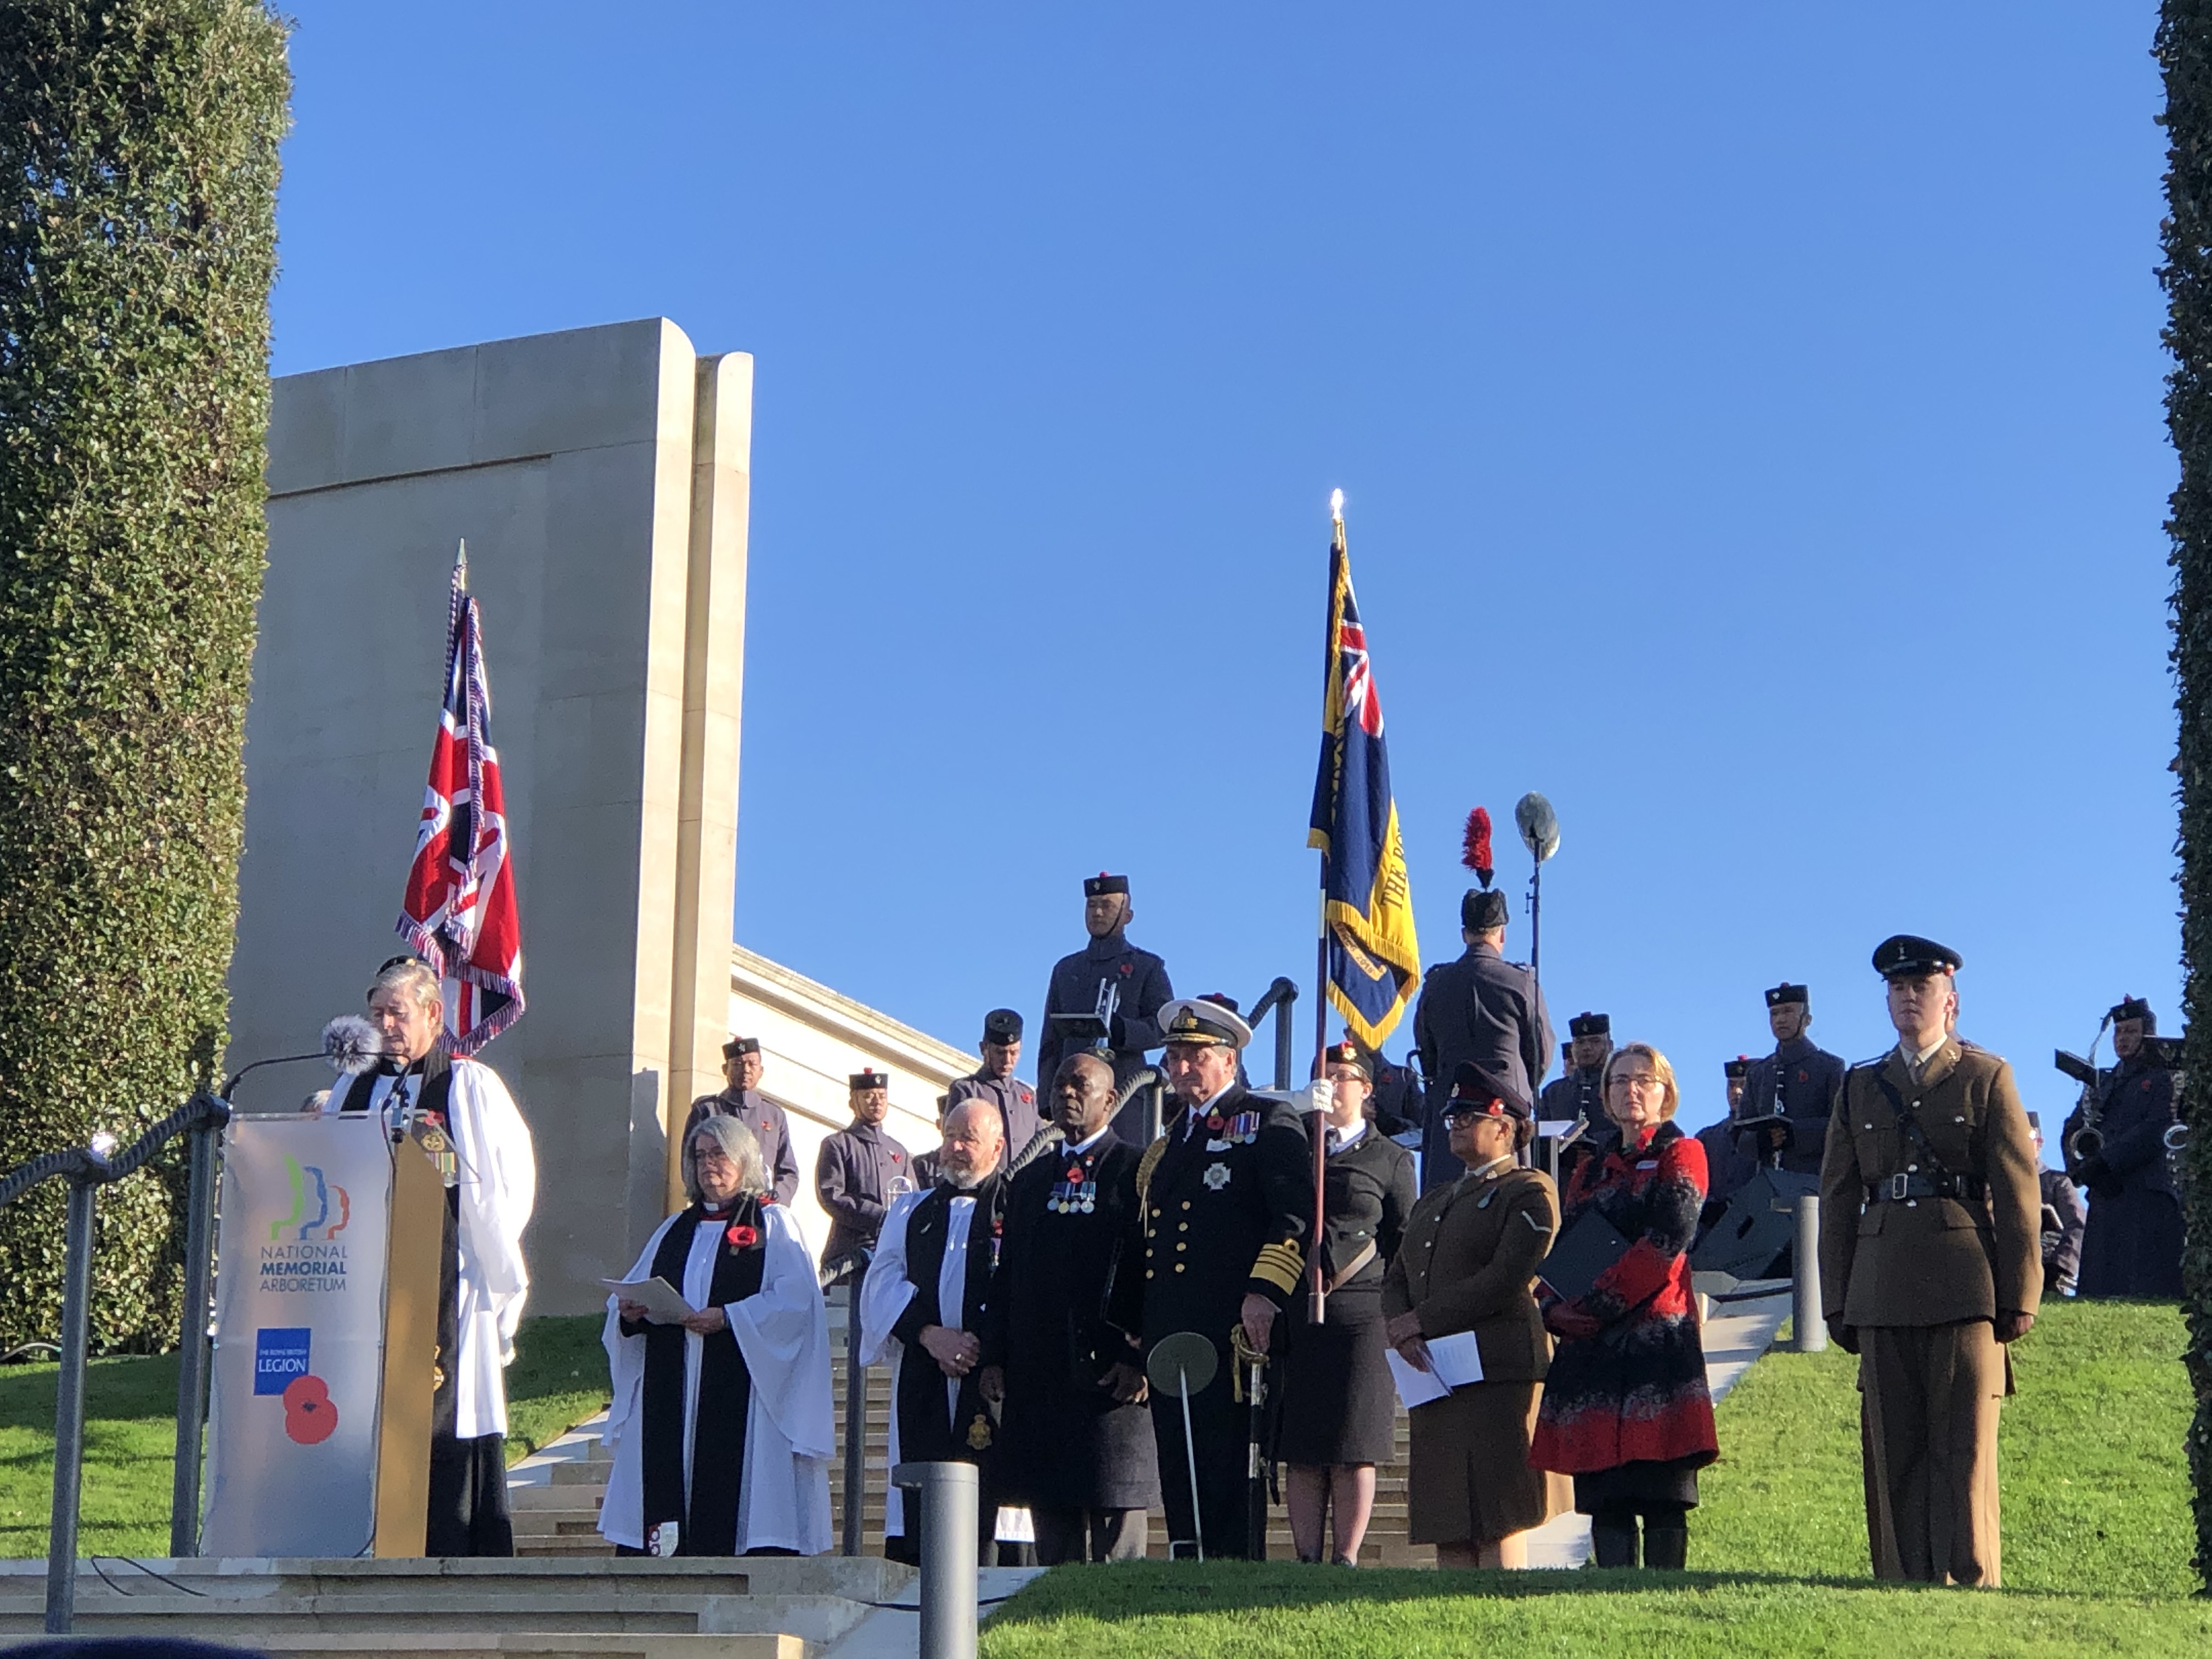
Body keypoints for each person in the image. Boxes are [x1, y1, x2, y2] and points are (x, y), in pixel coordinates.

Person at [1818, 934, 2041, 1588]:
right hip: (1881, 1283)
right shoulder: (1860, 1085)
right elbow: (1837, 1198)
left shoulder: (1985, 1075)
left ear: (1952, 1001)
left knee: (1965, 1443)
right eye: (1897, 988)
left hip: (1964, 1279)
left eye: (1922, 987)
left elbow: (2017, 1192)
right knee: (1893, 1445)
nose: (1909, 997)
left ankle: (1969, 1575)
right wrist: (1836, 1298)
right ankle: (1902, 1574)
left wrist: (2020, 1293)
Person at [321, 956, 535, 1556]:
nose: (385, 1026)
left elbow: (485, 1187)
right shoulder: (354, 1085)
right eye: (377, 1014)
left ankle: (453, 1541)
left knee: (446, 1410)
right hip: (368, 1278)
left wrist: (423, 1138)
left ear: (434, 1016)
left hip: (445, 1274)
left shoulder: (466, 1084)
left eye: (398, 1013)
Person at [1108, 996, 1314, 1560]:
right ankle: (1185, 1556)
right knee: (1178, 1453)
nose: (1179, 1069)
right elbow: (1147, 1231)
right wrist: (1134, 1317)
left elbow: (1294, 1215)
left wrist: (1265, 1294)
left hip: (1232, 1328)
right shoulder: (1171, 1140)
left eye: (1193, 1057)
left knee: (1225, 1455)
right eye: (1173, 1057)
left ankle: (1231, 1567)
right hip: (1171, 1326)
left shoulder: (1265, 1120)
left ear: (1228, 1059)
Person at [598, 1116, 833, 1555]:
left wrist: (729, 1317)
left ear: (744, 1160)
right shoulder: (673, 1230)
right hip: (673, 1384)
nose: (709, 1165)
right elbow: (629, 1294)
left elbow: (798, 1303)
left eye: (719, 1155)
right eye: (701, 1156)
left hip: (743, 1388)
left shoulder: (773, 1224)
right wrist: (630, 1313)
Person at [1531, 1042, 1718, 1571]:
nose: (1631, 1090)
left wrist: (1599, 1305)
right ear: (1607, 1095)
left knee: (1662, 1493)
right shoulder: (1589, 1168)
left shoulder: (1685, 1154)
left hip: (1657, 1345)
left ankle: (1664, 1594)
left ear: (1666, 1093)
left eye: (1644, 1080)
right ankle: (1610, 1591)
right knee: (1605, 1497)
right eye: (1620, 1081)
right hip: (1593, 1350)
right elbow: (1571, 1249)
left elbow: (1667, 1241)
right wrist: (1551, 1307)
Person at [978, 1052, 1160, 1564]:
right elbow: (1008, 1274)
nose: (1067, 1093)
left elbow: (1154, 1268)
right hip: (1043, 1387)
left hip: (1111, 1386)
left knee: (1116, 1538)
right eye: (1060, 1084)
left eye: (1081, 1084)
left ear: (1110, 1099)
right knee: (1054, 1540)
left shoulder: (1137, 1169)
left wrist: (1141, 1360)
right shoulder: (1030, 1182)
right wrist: (994, 1355)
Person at [1381, 1062, 1565, 1570]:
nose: (1456, 1125)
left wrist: (1423, 1320)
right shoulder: (1436, 1198)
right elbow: (1397, 1273)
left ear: (1504, 1127)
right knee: (1448, 1512)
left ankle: (1502, 1608)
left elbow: (1508, 1274)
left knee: (1498, 1510)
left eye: (1469, 1116)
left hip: (1497, 1368)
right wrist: (1400, 1325)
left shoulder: (1527, 1190)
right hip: (1436, 1372)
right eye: (1452, 1117)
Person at [1271, 1041, 1418, 1565]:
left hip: (1361, 1309)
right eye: (1323, 1076)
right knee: (1303, 1445)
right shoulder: (1293, 1146)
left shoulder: (1390, 1158)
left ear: (1367, 1089)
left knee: (1355, 1442)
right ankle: (1307, 1557)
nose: (1333, 1086)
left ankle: (1347, 1557)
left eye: (1344, 1076)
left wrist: (1403, 1313)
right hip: (1296, 1305)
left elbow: (1404, 1239)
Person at [859, 1099, 1009, 1565]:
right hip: (924, 1373)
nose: (956, 1148)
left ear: (998, 1148)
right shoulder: (911, 1211)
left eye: (969, 1139)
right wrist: (928, 1334)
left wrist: (981, 1345)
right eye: (950, 1136)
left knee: (994, 1498)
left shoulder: (1020, 1205)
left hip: (996, 1376)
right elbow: (880, 1283)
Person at [1412, 887, 1554, 1192]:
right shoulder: (1520, 981)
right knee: (1511, 1199)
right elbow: (1541, 1055)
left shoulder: (1436, 985)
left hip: (1453, 1110)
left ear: (1465, 934)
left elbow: (1427, 1052)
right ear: (1501, 933)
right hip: (1504, 1109)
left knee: (1446, 1203)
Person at [1036, 873, 1175, 1142]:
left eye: (1108, 906)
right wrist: (1047, 1098)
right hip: (1072, 1100)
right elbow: (1050, 1041)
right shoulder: (1066, 970)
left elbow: (1164, 1027)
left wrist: (1123, 1031)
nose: (1098, 912)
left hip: (1125, 1098)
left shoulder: (1147, 967)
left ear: (1128, 915)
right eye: (1091, 905)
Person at [2064, 996, 2184, 1299]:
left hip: (2148, 1191)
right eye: (2119, 1032)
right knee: (2102, 1279)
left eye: (2131, 1031)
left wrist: (2106, 1161)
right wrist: (2078, 1167)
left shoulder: (2163, 1078)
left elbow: (2156, 1127)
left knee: (2146, 1280)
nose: (2122, 1039)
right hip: (2106, 1192)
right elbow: (2074, 1126)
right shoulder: (2102, 1083)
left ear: (2147, 1035)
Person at [1739, 984, 1846, 1178]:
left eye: (1788, 1012)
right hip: (1766, 1183)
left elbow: (1841, 1126)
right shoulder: (1758, 1073)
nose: (1780, 1020)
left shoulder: (1829, 1067)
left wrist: (1793, 1134)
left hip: (1813, 1182)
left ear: (1807, 1020)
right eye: (1774, 1014)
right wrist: (1763, 1139)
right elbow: (1740, 1132)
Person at [815, 1070, 915, 1277]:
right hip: (849, 1251)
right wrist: (878, 1216)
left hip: (894, 1253)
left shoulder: (899, 1151)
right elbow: (832, 1194)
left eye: (882, 1096)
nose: (877, 1102)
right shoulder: (838, 1144)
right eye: (869, 1095)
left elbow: (913, 1199)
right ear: (853, 1102)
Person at [682, 1036, 800, 1205]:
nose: (746, 1070)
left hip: (761, 1206)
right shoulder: (708, 1110)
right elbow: (690, 1162)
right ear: (725, 1069)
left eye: (752, 1064)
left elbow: (788, 1170)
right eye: (738, 1064)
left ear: (761, 1071)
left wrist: (777, 1197)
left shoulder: (774, 1115)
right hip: (719, 1206)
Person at [946, 1008, 1046, 1161]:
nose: (1007, 1061)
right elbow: (956, 1140)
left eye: (1014, 1053)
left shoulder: (1028, 1096)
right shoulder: (967, 1090)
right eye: (1000, 1053)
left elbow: (1042, 1143)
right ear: (983, 1048)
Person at [1542, 1013, 1616, 1183]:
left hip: (1610, 1181)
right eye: (1580, 1042)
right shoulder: (1554, 1092)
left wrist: (1594, 1147)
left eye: (1595, 1041)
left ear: (1610, 1045)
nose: (1587, 1048)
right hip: (1563, 1186)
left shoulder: (1619, 1088)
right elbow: (1541, 1143)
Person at [2027, 1113, 2085, 1298]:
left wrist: (2059, 1266)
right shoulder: (1994, 1183)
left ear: (2039, 1143)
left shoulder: (2057, 1182)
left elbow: (2079, 1226)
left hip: (2050, 1275)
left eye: (2027, 1137)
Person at [1694, 1058, 1759, 1220]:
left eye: (1743, 1085)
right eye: (1731, 1085)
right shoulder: (1706, 1138)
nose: (1736, 1092)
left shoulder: (1766, 1135)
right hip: (1710, 1230)